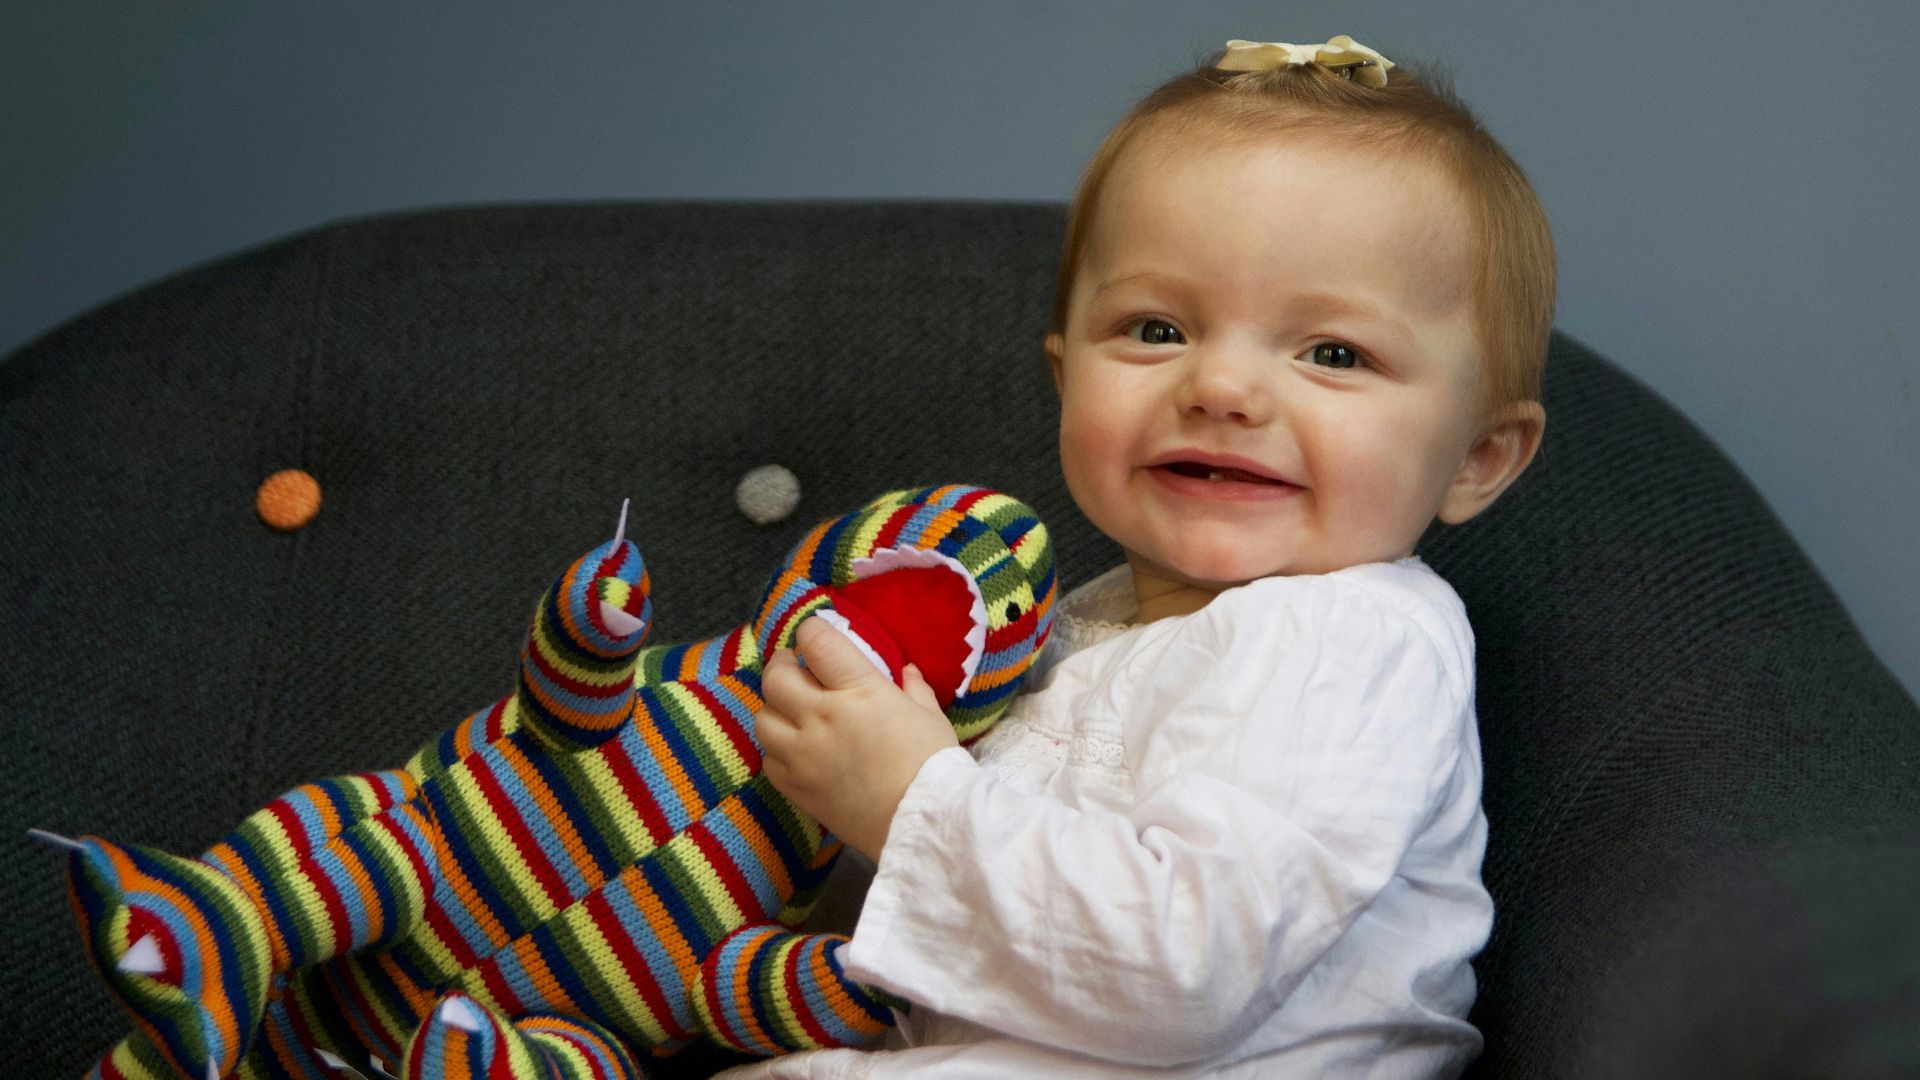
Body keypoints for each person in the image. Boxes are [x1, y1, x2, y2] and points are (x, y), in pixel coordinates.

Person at [731, 32, 1552, 1079]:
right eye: (1157, 329)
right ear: (1068, 378)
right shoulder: (1076, 624)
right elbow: (944, 942)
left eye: (1333, 353)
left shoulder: (1351, 639)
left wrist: (904, 797)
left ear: (1477, 457)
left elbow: (1187, 975)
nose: (1221, 388)